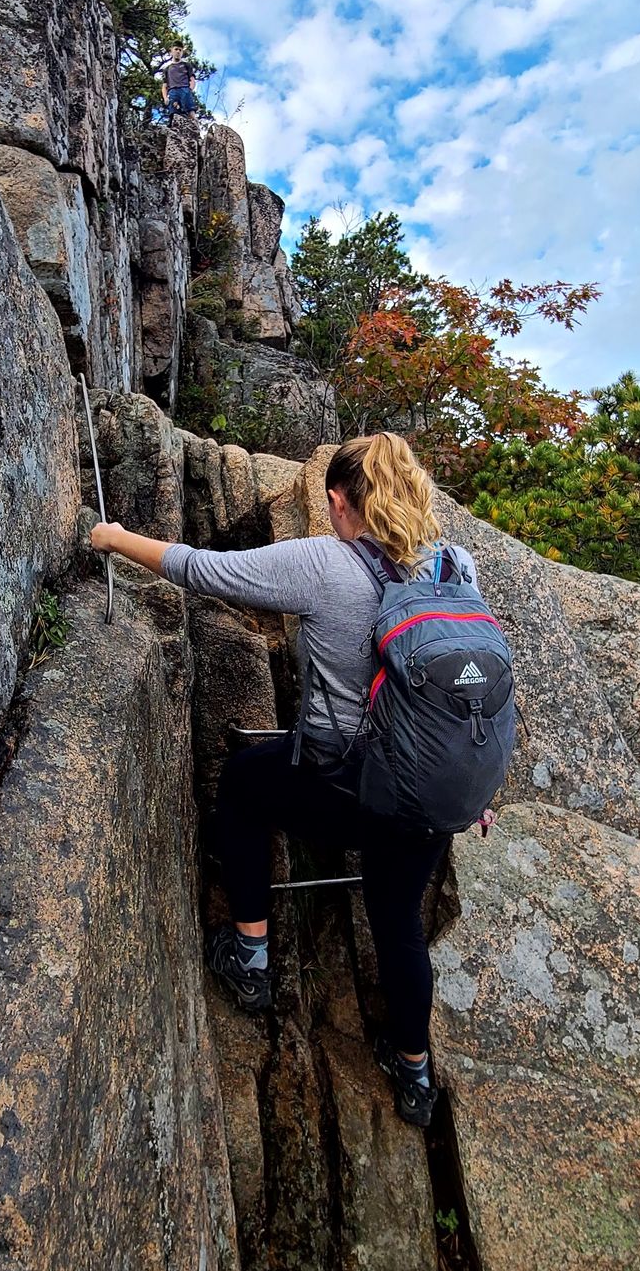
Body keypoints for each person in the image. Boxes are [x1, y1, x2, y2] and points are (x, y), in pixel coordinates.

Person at [88, 432, 468, 1128]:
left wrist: (114, 537)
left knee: (243, 783)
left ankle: (252, 956)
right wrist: (473, 790)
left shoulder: (325, 562)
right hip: (431, 796)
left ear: (335, 501)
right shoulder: (452, 565)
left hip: (348, 788)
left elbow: (202, 570)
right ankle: (413, 1075)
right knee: (398, 921)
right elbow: (471, 689)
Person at [158, 42, 197, 118]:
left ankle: (196, 129)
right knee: (174, 115)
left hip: (185, 89)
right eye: (176, 49)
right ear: (171, 51)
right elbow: (164, 86)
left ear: (182, 52)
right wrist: (165, 98)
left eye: (180, 50)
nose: (178, 51)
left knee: (191, 112)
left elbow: (192, 79)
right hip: (172, 92)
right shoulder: (167, 69)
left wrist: (189, 90)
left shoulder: (186, 65)